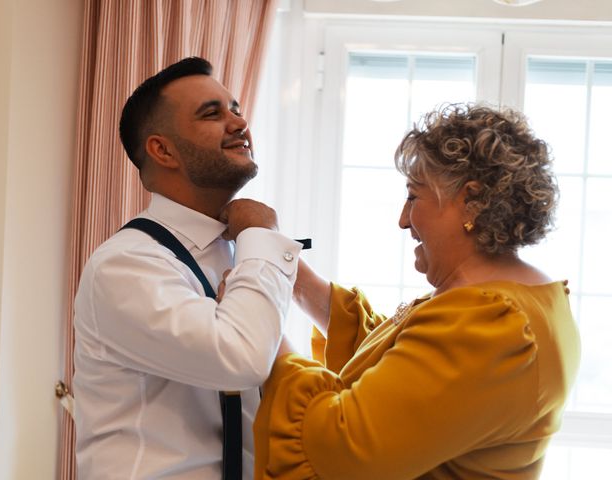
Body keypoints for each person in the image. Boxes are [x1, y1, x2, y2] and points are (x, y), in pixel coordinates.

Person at [249, 104, 581, 479]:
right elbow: (397, 366)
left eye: (414, 197)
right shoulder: (514, 300)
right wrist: (292, 274)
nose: (403, 220)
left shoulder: (487, 321)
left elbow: (343, 446)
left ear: (470, 200)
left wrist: (260, 315)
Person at [72, 57, 302, 479]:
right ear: (163, 150)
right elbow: (240, 358)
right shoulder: (126, 266)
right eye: (212, 113)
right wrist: (263, 237)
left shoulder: (235, 257)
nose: (239, 123)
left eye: (235, 108)